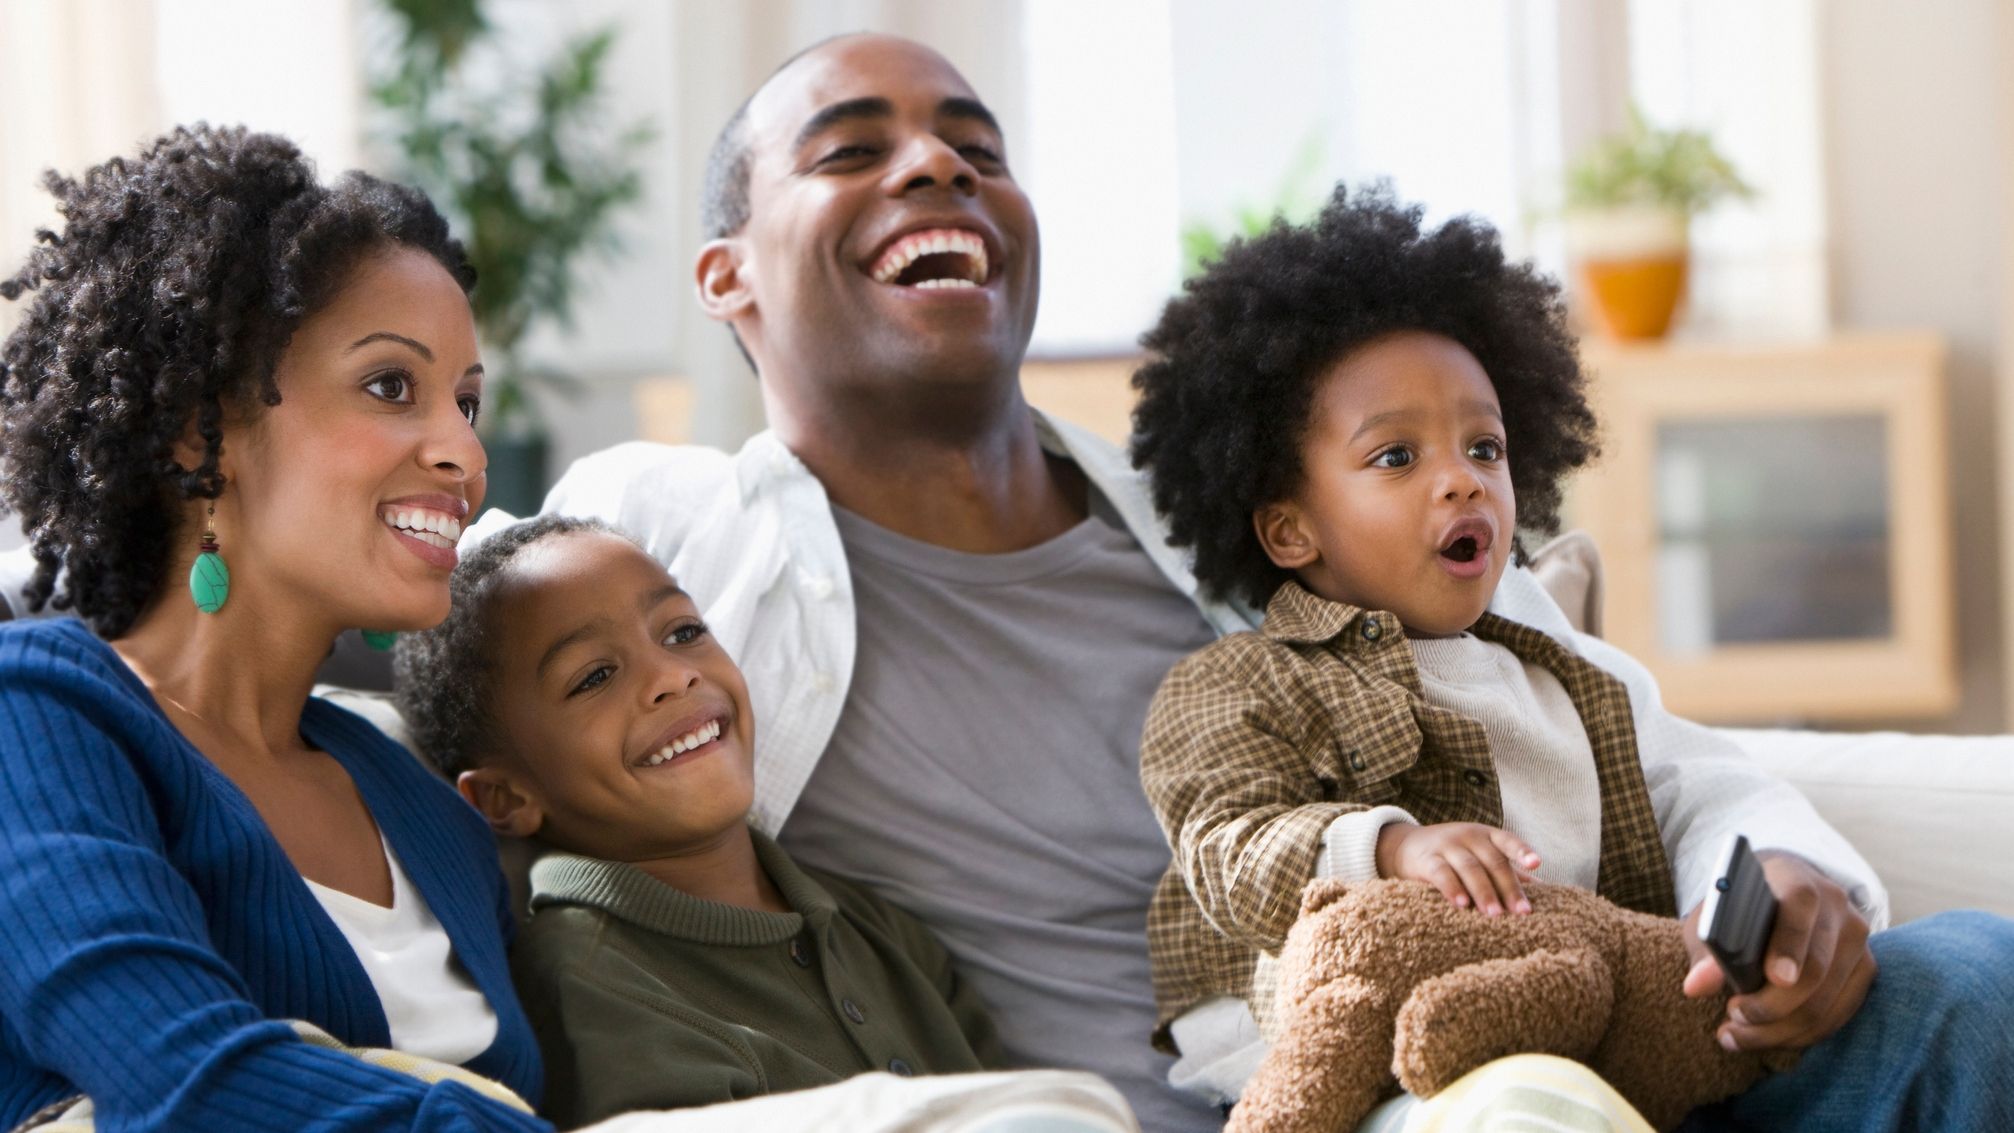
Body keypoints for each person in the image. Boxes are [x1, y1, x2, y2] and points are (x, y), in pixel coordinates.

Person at [540, 31, 1827, 1132]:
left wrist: (1788, 888)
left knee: (1965, 978)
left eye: (979, 151)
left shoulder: (1261, 510)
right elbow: (458, 677)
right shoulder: (663, 534)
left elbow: (1645, 744)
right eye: (850, 150)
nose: (937, 166)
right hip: (1189, 1099)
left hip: (1478, 1056)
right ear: (725, 275)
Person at [1125, 185, 2014, 1130]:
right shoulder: (1241, 683)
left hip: (1639, 1041)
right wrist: (1387, 846)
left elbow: (1700, 790)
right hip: (1400, 1069)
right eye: (1396, 458)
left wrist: (1785, 884)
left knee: (1973, 967)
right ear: (1290, 528)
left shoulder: (1564, 672)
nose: (1462, 477)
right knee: (1525, 1107)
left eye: (1485, 446)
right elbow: (1226, 838)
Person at [0, 124, 546, 1131]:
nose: (463, 455)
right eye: (394, 386)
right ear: (201, 427)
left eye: (468, 404)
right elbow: (183, 1080)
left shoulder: (428, 807)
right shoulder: (37, 715)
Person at [392, 515, 1003, 1127]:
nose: (672, 675)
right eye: (595, 676)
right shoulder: (591, 986)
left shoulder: (876, 928)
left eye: (683, 632)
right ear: (505, 798)